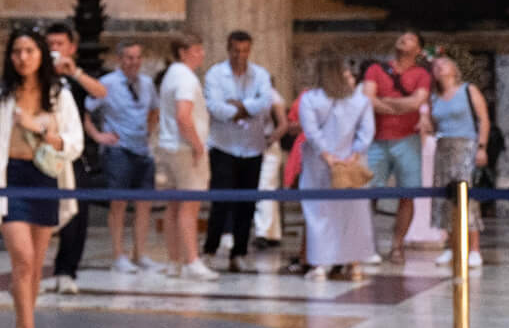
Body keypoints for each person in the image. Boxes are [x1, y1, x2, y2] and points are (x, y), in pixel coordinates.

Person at [0, 30, 84, 328]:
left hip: (46, 179)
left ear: (41, 55)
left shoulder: (58, 96)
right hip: (12, 182)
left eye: (30, 50)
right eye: (17, 51)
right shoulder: (2, 101)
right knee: (21, 260)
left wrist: (41, 130)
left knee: (36, 265)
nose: (23, 57)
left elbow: (74, 142)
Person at [201, 31, 279, 273]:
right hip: (223, 146)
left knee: (247, 203)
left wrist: (239, 107)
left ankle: (240, 252)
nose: (240, 56)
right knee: (221, 201)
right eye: (236, 50)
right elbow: (215, 107)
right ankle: (211, 250)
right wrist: (245, 109)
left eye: (245, 51)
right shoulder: (215, 74)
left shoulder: (260, 75)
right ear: (228, 49)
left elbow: (265, 103)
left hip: (252, 147)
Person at [297, 53, 375, 281]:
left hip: (320, 165)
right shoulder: (360, 101)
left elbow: (311, 132)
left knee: (319, 213)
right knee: (353, 214)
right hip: (351, 163)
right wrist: (354, 154)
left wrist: (327, 155)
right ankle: (355, 264)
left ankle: (319, 264)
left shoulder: (310, 99)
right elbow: (367, 131)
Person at [44, 23, 107, 294]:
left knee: (77, 214)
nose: (54, 49)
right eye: (50, 44)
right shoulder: (39, 74)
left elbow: (100, 94)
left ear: (71, 47)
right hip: (46, 153)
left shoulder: (77, 76)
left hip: (75, 154)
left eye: (59, 44)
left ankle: (68, 269)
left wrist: (75, 72)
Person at [360, 31, 433, 262]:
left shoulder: (422, 74)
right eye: (402, 37)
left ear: (419, 50)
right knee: (368, 194)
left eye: (410, 38)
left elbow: (417, 101)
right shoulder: (376, 70)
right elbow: (367, 99)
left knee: (407, 194)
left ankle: (397, 245)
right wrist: (400, 106)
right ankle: (367, 245)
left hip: (407, 139)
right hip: (376, 139)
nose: (403, 39)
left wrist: (388, 102)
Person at [89, 40, 158, 274]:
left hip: (142, 149)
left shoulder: (147, 83)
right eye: (129, 57)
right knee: (118, 203)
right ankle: (118, 254)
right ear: (120, 59)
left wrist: (150, 130)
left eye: (138, 57)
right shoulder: (107, 84)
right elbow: (86, 110)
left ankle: (141, 253)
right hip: (118, 150)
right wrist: (98, 136)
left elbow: (154, 109)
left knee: (144, 203)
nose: (134, 62)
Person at [156, 34, 215, 280]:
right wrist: (197, 144)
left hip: (167, 146)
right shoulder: (186, 78)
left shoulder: (171, 74)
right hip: (184, 148)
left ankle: (174, 261)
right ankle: (192, 260)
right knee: (189, 206)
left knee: (172, 206)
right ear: (182, 52)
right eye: (196, 49)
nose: (201, 53)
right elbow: (183, 115)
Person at [427, 54, 489, 271]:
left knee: (466, 195)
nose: (439, 67)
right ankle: (451, 244)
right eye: (435, 65)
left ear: (454, 69)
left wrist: (482, 147)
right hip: (443, 147)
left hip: (466, 146)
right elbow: (433, 125)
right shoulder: (433, 97)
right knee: (445, 197)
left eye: (443, 63)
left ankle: (474, 249)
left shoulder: (468, 90)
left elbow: (483, 119)